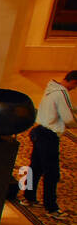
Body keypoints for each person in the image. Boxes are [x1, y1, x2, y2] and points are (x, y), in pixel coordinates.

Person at [22, 70, 77, 216]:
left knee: (36, 167)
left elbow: (63, 108)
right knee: (52, 173)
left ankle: (29, 197)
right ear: (73, 82)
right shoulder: (62, 93)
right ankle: (51, 208)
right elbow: (68, 118)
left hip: (39, 131)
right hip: (49, 136)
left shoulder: (51, 88)